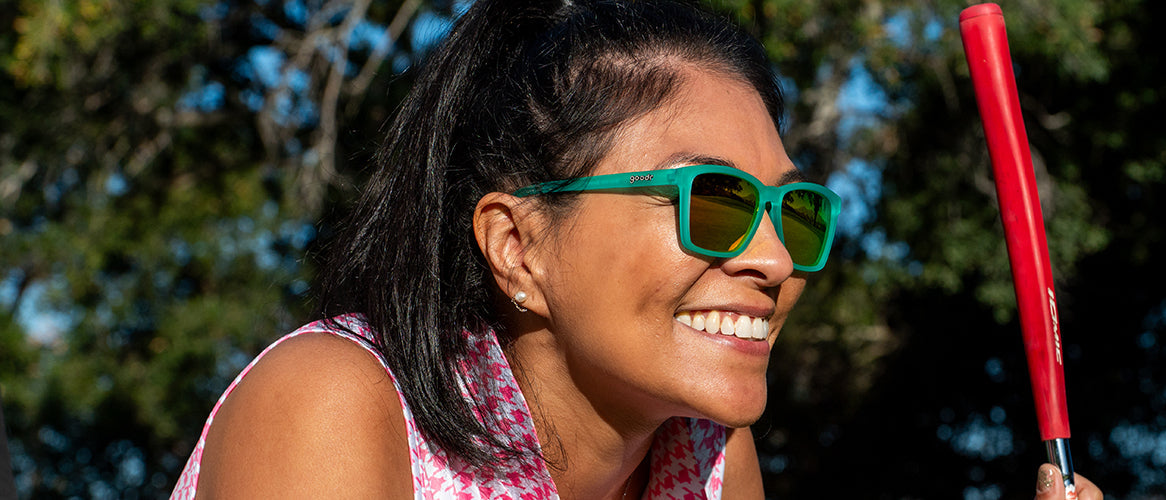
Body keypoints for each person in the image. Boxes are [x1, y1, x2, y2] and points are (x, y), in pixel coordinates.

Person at [171, 1, 1102, 498]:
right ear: (517, 245)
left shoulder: (707, 457)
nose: (777, 260)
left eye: (795, 211)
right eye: (714, 202)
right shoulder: (333, 405)